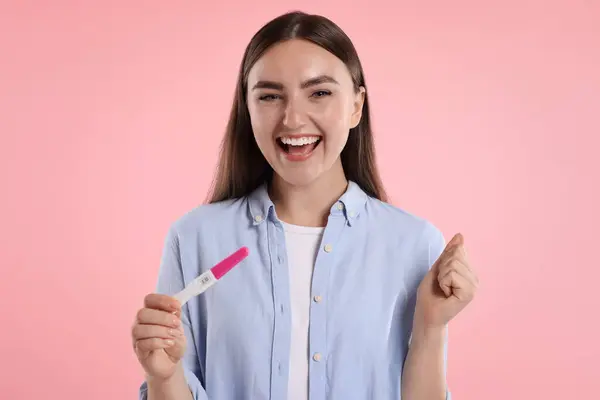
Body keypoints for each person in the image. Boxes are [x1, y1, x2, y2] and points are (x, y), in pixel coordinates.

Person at [132, 10, 478, 400]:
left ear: (356, 106)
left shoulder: (414, 244)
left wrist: (431, 327)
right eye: (270, 96)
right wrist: (164, 376)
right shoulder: (194, 237)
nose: (293, 119)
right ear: (247, 109)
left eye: (319, 93)